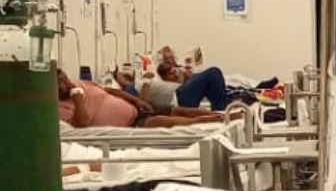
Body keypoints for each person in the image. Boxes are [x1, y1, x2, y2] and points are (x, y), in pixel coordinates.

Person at [56, 70, 224, 128]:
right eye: (58, 85)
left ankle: (223, 115)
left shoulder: (82, 83)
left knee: (182, 111)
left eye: (63, 79)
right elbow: (81, 124)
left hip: (138, 108)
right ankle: (219, 120)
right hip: (133, 124)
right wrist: (76, 95)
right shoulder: (60, 108)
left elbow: (110, 91)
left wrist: (137, 101)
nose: (63, 85)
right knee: (168, 121)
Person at [150, 62, 233, 112]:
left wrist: (188, 76)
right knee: (214, 72)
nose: (175, 75)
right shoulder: (158, 82)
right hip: (178, 97)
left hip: (185, 97)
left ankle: (226, 104)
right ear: (164, 78)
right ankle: (220, 112)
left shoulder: (183, 76)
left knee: (211, 79)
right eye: (170, 74)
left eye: (174, 71)